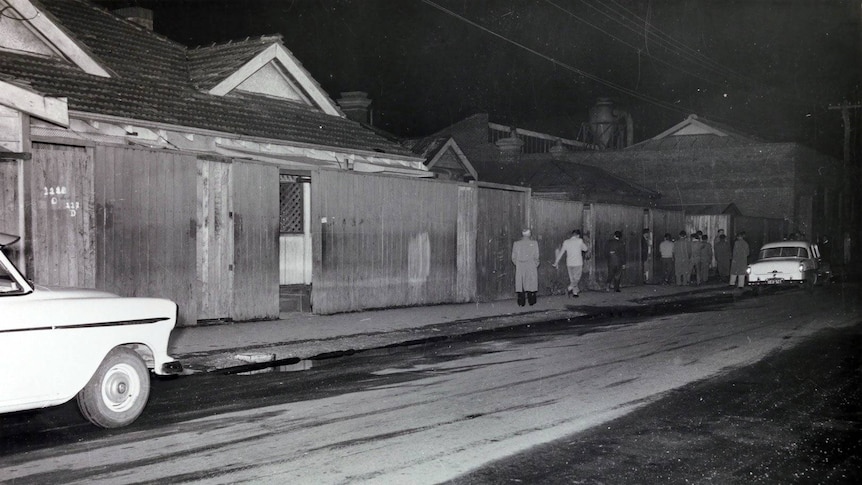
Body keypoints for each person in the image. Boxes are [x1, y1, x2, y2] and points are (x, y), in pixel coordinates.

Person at [553, 229, 589, 297]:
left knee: (572, 278)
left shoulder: (566, 242)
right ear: (578, 235)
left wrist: (556, 262)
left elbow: (561, 253)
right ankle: (570, 287)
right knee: (577, 278)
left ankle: (575, 293)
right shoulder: (579, 241)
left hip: (569, 263)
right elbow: (585, 249)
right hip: (578, 263)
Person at [512, 228, 539, 306]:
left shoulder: (516, 243)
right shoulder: (534, 243)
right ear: (529, 234)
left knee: (520, 282)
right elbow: (536, 256)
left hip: (520, 264)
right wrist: (535, 264)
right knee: (531, 281)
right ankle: (532, 301)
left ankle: (521, 302)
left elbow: (513, 257)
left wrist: (518, 264)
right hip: (531, 264)